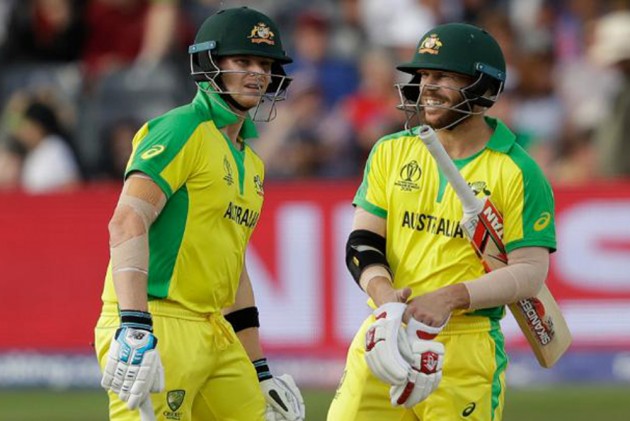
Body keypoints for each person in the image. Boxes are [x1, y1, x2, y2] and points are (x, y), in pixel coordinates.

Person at [328, 23, 556, 421]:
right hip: (385, 334)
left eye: (443, 76)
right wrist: (384, 295)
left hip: (464, 349)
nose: (427, 87)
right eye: (424, 75)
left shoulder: (518, 170)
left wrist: (449, 298)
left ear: (483, 85)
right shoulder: (390, 151)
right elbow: (362, 242)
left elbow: (530, 273)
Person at [94, 7, 305, 421]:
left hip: (216, 331)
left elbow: (233, 269)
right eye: (243, 61)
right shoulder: (181, 128)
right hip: (157, 320)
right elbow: (127, 220)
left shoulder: (252, 162)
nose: (257, 74)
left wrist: (260, 369)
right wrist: (134, 324)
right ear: (211, 64)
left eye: (264, 65)